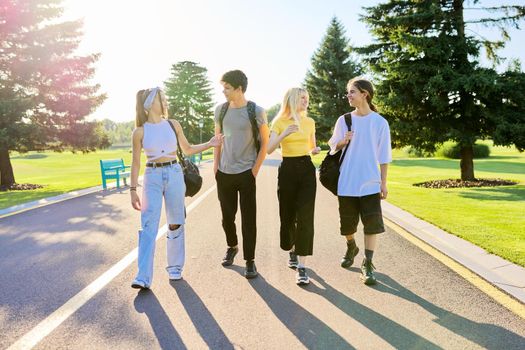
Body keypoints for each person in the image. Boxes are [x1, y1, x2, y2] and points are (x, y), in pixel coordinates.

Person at [130, 87, 223, 289]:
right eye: (161, 98)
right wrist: (132, 190)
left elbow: (188, 149)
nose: (165, 101)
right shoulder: (140, 132)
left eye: (164, 98)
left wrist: (210, 143)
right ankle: (143, 277)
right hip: (152, 175)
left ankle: (174, 269)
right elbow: (135, 163)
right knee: (148, 226)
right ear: (149, 104)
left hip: (174, 173)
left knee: (175, 222)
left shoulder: (173, 125)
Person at [328, 77, 392, 285]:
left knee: (372, 225)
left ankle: (368, 262)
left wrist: (383, 182)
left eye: (352, 92)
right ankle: (351, 245)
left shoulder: (380, 123)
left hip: (370, 183)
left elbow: (384, 156)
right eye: (348, 92)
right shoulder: (344, 120)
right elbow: (332, 147)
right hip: (346, 182)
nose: (348, 96)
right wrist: (342, 141)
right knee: (347, 226)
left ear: (364, 94)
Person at [213, 70, 269, 279]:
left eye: (227, 87)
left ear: (239, 88)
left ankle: (250, 261)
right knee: (227, 217)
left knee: (248, 219)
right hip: (224, 173)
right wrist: (216, 165)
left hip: (246, 172)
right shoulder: (220, 110)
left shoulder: (257, 111)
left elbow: (264, 143)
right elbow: (217, 138)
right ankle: (232, 246)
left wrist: (255, 170)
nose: (224, 91)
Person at [267, 87, 320, 285]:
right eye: (302, 98)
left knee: (305, 218)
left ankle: (302, 266)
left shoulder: (310, 122)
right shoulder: (279, 122)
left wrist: (314, 150)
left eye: (307, 98)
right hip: (287, 169)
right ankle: (291, 249)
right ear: (292, 100)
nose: (306, 101)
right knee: (288, 216)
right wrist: (284, 134)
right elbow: (270, 149)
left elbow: (310, 147)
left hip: (306, 168)